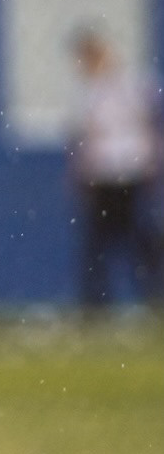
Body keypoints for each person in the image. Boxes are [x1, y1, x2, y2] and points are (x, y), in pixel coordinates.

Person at [68, 28, 162, 309]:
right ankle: (97, 301)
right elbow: (84, 136)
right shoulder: (88, 92)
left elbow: (147, 123)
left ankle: (153, 294)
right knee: (99, 241)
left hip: (131, 172)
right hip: (103, 175)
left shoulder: (132, 85)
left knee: (140, 238)